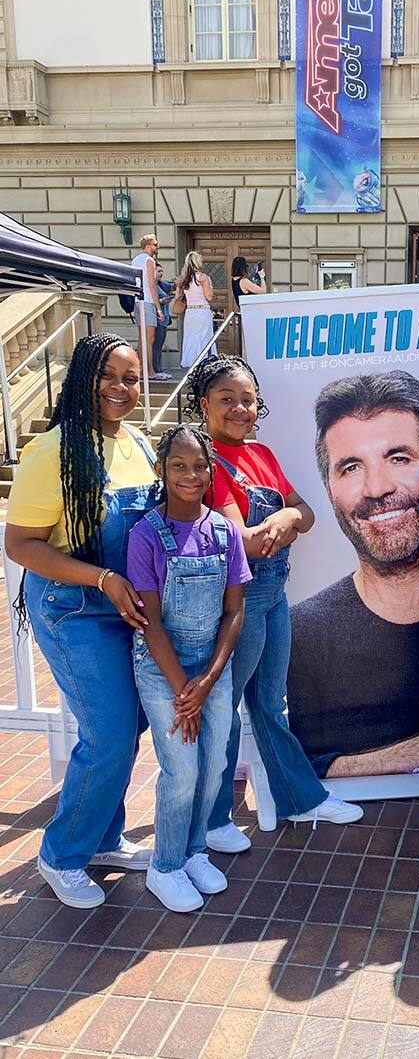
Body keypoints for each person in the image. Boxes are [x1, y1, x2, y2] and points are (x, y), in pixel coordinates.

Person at [3, 333, 158, 907]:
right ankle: (61, 853)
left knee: (127, 727)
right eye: (110, 376)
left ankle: (101, 838)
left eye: (133, 377)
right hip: (74, 610)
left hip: (127, 608)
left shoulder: (139, 444)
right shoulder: (54, 450)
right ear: (83, 378)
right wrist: (101, 579)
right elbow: (21, 544)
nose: (123, 388)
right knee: (111, 734)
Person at [189, 355, 363, 846]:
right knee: (222, 706)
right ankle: (215, 818)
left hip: (273, 593)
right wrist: (285, 521)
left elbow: (306, 513)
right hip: (236, 600)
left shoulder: (260, 453)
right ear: (204, 403)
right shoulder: (205, 460)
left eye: (247, 399)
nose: (240, 408)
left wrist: (286, 521)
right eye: (227, 399)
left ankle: (299, 799)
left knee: (269, 702)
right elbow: (241, 542)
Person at [288, 371, 419, 777]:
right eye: (351, 467)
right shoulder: (300, 632)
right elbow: (301, 764)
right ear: (328, 488)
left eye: (399, 458)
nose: (376, 487)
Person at [124, 425, 247, 911]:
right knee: (181, 769)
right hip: (163, 670)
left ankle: (195, 850)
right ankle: (166, 865)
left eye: (199, 465)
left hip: (210, 669)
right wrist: (184, 693)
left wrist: (208, 681)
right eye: (178, 465)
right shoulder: (145, 536)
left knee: (215, 763)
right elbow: (150, 624)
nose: (190, 474)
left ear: (210, 470)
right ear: (161, 470)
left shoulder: (222, 531)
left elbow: (234, 611)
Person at [131, 235, 170, 379]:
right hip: (147, 302)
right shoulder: (149, 260)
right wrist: (159, 309)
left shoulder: (135, 260)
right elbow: (152, 285)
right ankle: (150, 372)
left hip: (137, 301)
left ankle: (141, 370)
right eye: (155, 244)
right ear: (147, 245)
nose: (157, 247)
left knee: (142, 339)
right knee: (149, 339)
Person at [175, 251, 215, 368]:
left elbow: (177, 297)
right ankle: (203, 362)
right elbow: (209, 297)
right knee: (204, 337)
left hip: (190, 312)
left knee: (190, 337)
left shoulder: (183, 279)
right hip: (202, 311)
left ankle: (190, 362)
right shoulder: (203, 277)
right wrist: (210, 285)